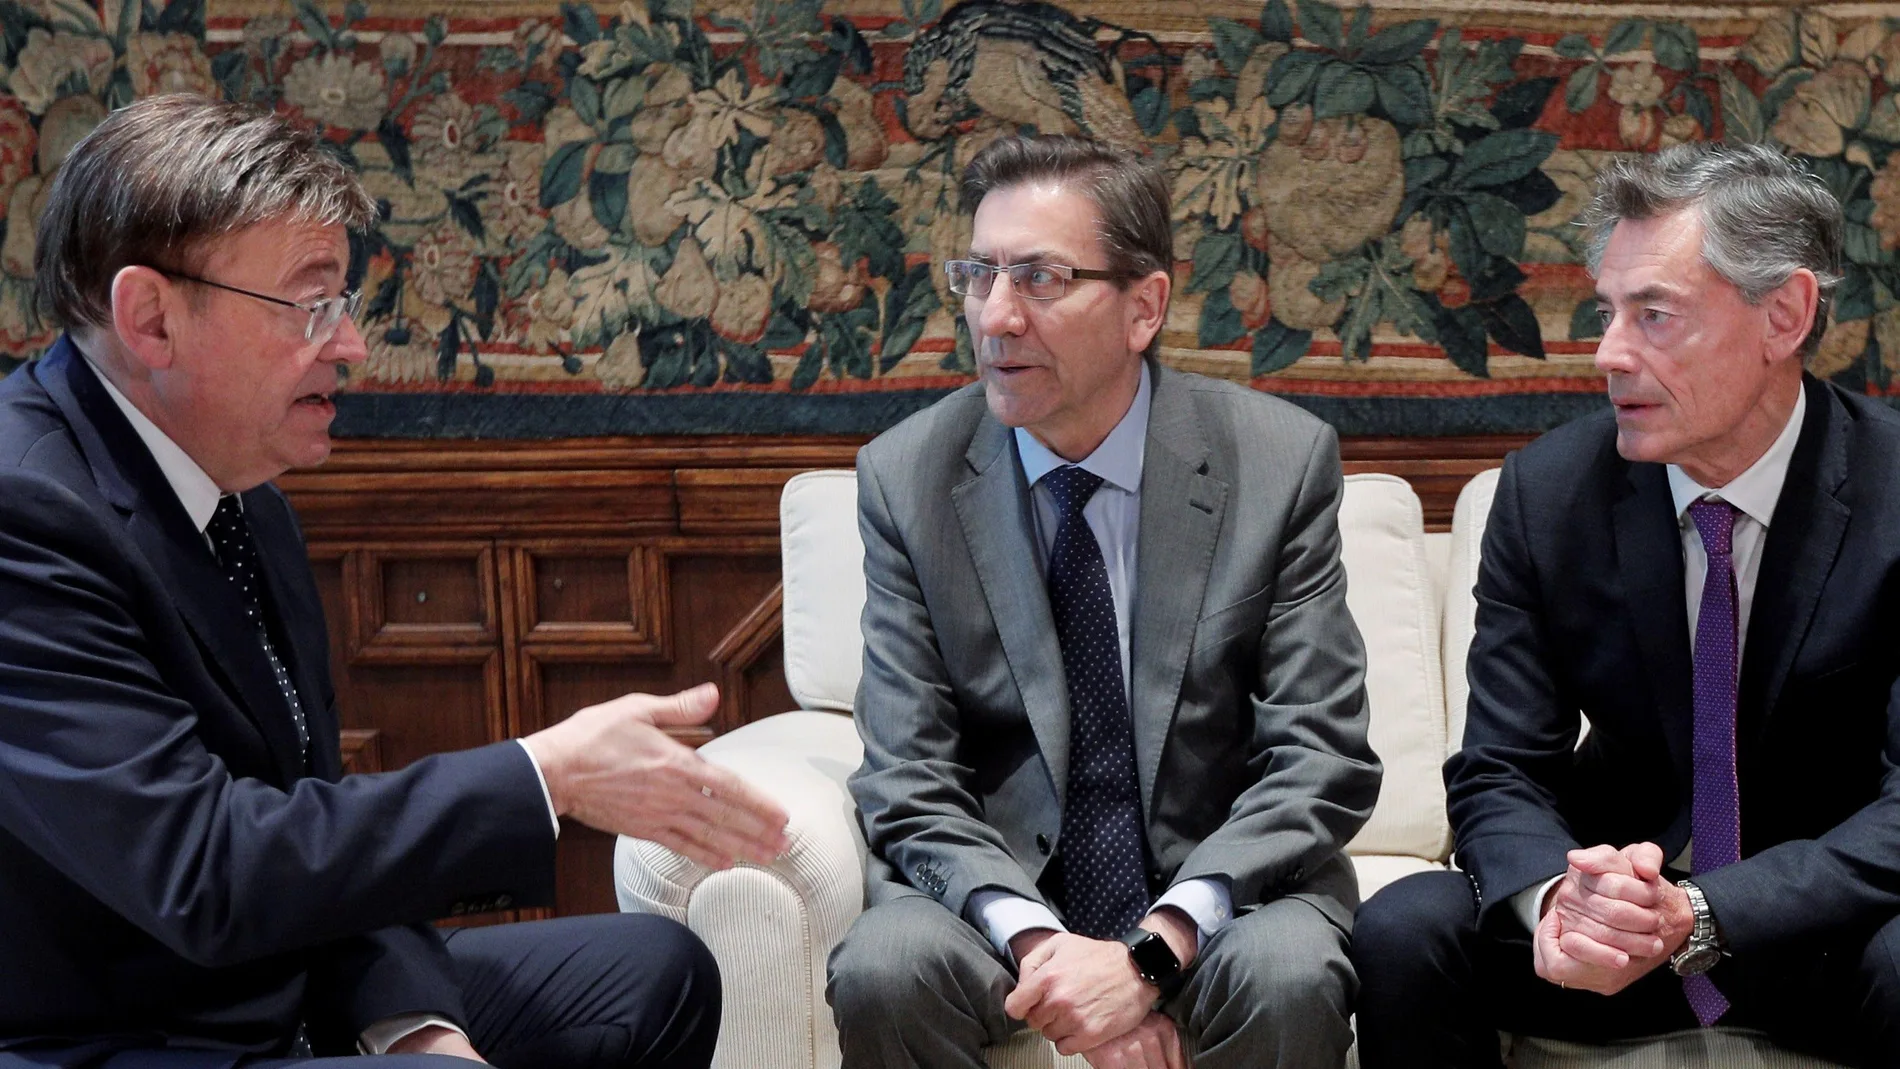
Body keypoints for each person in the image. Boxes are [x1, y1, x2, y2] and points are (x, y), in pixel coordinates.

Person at [0, 93, 789, 1068]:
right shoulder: (23, 511)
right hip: (128, 1042)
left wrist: (414, 1024)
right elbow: (201, 870)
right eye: (309, 304)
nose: (350, 343)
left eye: (345, 303)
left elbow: (311, 806)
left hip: (278, 988)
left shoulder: (241, 485)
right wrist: (549, 772)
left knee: (650, 971)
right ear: (151, 317)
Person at [824, 134, 1381, 1069]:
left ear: (1144, 307)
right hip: (1006, 901)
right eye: (978, 275)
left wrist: (1152, 955)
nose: (995, 317)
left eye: (1040, 278)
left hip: (1217, 896)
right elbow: (907, 778)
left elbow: (1319, 755)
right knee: (887, 963)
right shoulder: (907, 478)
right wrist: (1056, 965)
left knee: (1291, 970)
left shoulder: (1276, 463)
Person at [1351, 141, 1900, 1068]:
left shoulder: (1893, 489)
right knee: (1407, 926)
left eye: (1656, 315)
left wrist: (1708, 912)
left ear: (1785, 314)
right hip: (1612, 940)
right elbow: (1499, 768)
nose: (1608, 353)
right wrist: (1560, 904)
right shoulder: (1549, 493)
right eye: (1608, 312)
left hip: (1818, 932)